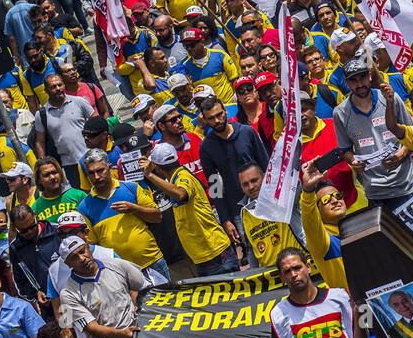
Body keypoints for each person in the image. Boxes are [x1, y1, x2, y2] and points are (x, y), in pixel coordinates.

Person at [333, 56, 413, 208]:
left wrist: (401, 155)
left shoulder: (390, 98)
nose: (360, 84)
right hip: (376, 192)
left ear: (369, 75)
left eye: (362, 77)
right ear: (347, 83)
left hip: (409, 184)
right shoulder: (340, 113)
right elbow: (345, 150)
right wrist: (354, 162)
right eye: (354, 81)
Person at [139, 143, 234, 276]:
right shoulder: (174, 179)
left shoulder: (183, 177)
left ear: (157, 167)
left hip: (214, 253)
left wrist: (150, 175)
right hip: (204, 255)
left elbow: (180, 194)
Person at [76, 148, 168, 277]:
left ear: (109, 168)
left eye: (100, 170)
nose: (96, 177)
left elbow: (157, 217)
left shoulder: (131, 188)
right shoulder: (84, 206)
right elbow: (92, 245)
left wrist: (134, 208)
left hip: (151, 262)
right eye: (91, 173)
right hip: (119, 272)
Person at [197, 95, 271, 254]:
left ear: (225, 111)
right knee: (253, 251)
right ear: (204, 120)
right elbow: (215, 187)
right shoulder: (206, 147)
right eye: (211, 118)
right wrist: (225, 219)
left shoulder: (247, 131)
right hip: (238, 209)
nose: (217, 121)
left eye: (219, 115)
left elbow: (265, 165)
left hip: (264, 200)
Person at [57, 236, 148, 338]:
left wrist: (137, 303)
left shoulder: (116, 265)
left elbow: (145, 287)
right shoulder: (68, 293)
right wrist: (123, 334)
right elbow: (92, 327)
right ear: (68, 264)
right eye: (74, 258)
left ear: (89, 248)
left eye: (82, 251)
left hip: (139, 332)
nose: (82, 259)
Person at [269, 247, 367, 338]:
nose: (293, 274)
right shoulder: (278, 314)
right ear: (282, 278)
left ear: (308, 267)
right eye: (287, 271)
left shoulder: (341, 296)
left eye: (297, 268)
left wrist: (362, 312)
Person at [32, 73, 95, 187]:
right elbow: (40, 142)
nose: (58, 89)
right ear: (46, 91)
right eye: (53, 87)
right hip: (69, 166)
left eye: (59, 85)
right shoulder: (41, 114)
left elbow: (97, 123)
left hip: (91, 158)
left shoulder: (79, 102)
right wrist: (43, 165)